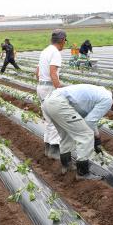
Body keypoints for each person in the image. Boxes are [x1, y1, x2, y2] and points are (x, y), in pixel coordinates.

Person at [43, 84, 113, 180]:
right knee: (86, 135)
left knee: (67, 135)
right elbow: (89, 122)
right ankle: (82, 173)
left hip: (49, 101)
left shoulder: (101, 93)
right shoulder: (108, 100)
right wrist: (95, 139)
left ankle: (66, 166)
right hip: (59, 104)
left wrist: (97, 138)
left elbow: (90, 118)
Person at [36, 29, 67, 159]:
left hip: (41, 87)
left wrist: (42, 84)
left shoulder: (45, 51)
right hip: (50, 88)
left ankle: (48, 149)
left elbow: (37, 72)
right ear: (62, 41)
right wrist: (59, 89)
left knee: (48, 119)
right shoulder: (55, 53)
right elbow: (53, 73)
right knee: (55, 119)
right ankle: (54, 150)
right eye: (65, 41)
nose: (65, 43)